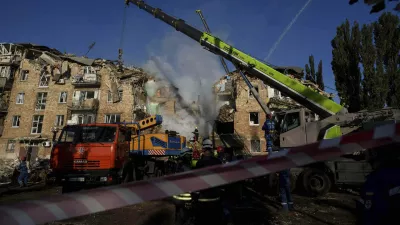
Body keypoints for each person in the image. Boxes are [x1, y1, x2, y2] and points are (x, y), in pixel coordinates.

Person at [358, 145, 400, 225]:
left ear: (374, 153)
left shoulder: (391, 178)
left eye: (366, 149)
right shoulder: (374, 178)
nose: (364, 152)